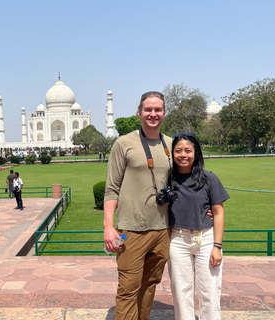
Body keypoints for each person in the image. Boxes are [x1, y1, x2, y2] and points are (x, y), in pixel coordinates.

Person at [104, 91, 172, 320]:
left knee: (150, 285)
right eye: (148, 109)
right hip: (131, 230)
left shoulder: (171, 144)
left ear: (164, 112)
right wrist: (108, 227)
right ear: (139, 112)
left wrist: (207, 208)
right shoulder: (124, 143)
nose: (153, 114)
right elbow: (111, 188)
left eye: (158, 109)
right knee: (128, 289)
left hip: (162, 229)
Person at [168, 133, 229, 320]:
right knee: (181, 292)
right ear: (173, 154)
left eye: (188, 150)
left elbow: (218, 212)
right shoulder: (168, 179)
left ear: (196, 153)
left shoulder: (208, 179)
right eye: (178, 150)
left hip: (206, 238)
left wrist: (217, 246)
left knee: (209, 292)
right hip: (178, 239)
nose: (183, 155)